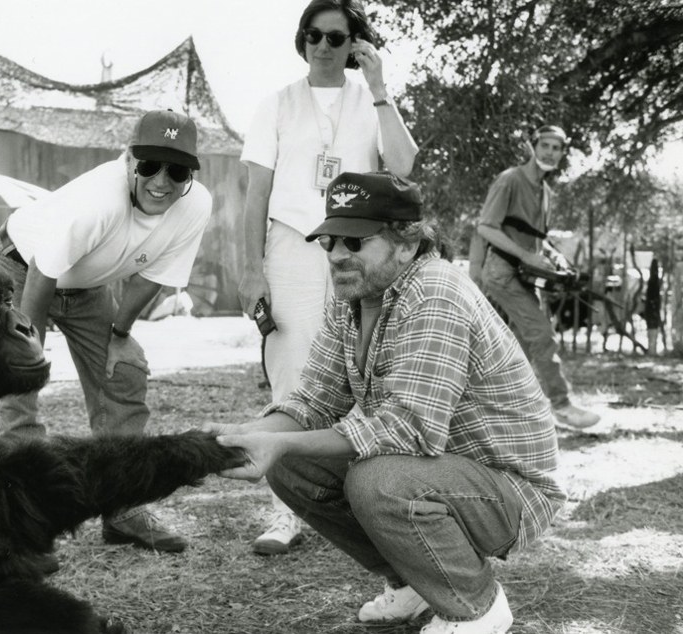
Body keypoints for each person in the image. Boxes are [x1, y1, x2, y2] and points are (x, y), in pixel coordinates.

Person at [209, 172, 565, 634]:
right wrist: (249, 439)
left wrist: (281, 444)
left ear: (406, 243)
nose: (338, 255)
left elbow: (407, 429)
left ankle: (476, 608)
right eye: (330, 241)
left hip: (510, 488)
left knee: (377, 479)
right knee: (291, 467)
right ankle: (416, 583)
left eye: (355, 242)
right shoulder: (352, 297)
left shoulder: (436, 290)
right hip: (442, 470)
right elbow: (315, 399)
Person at [0, 109, 212, 558]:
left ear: (190, 175)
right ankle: (26, 520)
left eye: (177, 170)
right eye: (149, 165)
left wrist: (120, 335)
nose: (161, 181)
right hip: (19, 267)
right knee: (18, 390)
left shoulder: (195, 205)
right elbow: (42, 276)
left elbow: (152, 276)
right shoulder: (98, 202)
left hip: (86, 285)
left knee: (124, 373)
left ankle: (123, 507)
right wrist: (29, 351)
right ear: (128, 160)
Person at [237, 0, 419, 555]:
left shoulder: (371, 100)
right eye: (313, 35)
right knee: (294, 372)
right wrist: (250, 269)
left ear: (352, 44)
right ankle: (284, 510)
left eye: (336, 38)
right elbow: (255, 196)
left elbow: (405, 167)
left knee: (361, 368)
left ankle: (364, 499)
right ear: (302, 40)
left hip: (355, 245)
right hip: (291, 243)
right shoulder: (275, 104)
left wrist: (380, 84)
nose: (323, 46)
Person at [473, 125, 600, 429]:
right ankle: (562, 405)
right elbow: (486, 227)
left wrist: (554, 259)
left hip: (527, 275)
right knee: (542, 335)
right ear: (532, 146)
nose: (550, 152)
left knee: (522, 344)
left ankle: (497, 407)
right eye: (545, 145)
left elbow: (536, 239)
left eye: (557, 148)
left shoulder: (545, 192)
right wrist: (526, 255)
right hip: (502, 272)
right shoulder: (510, 180)